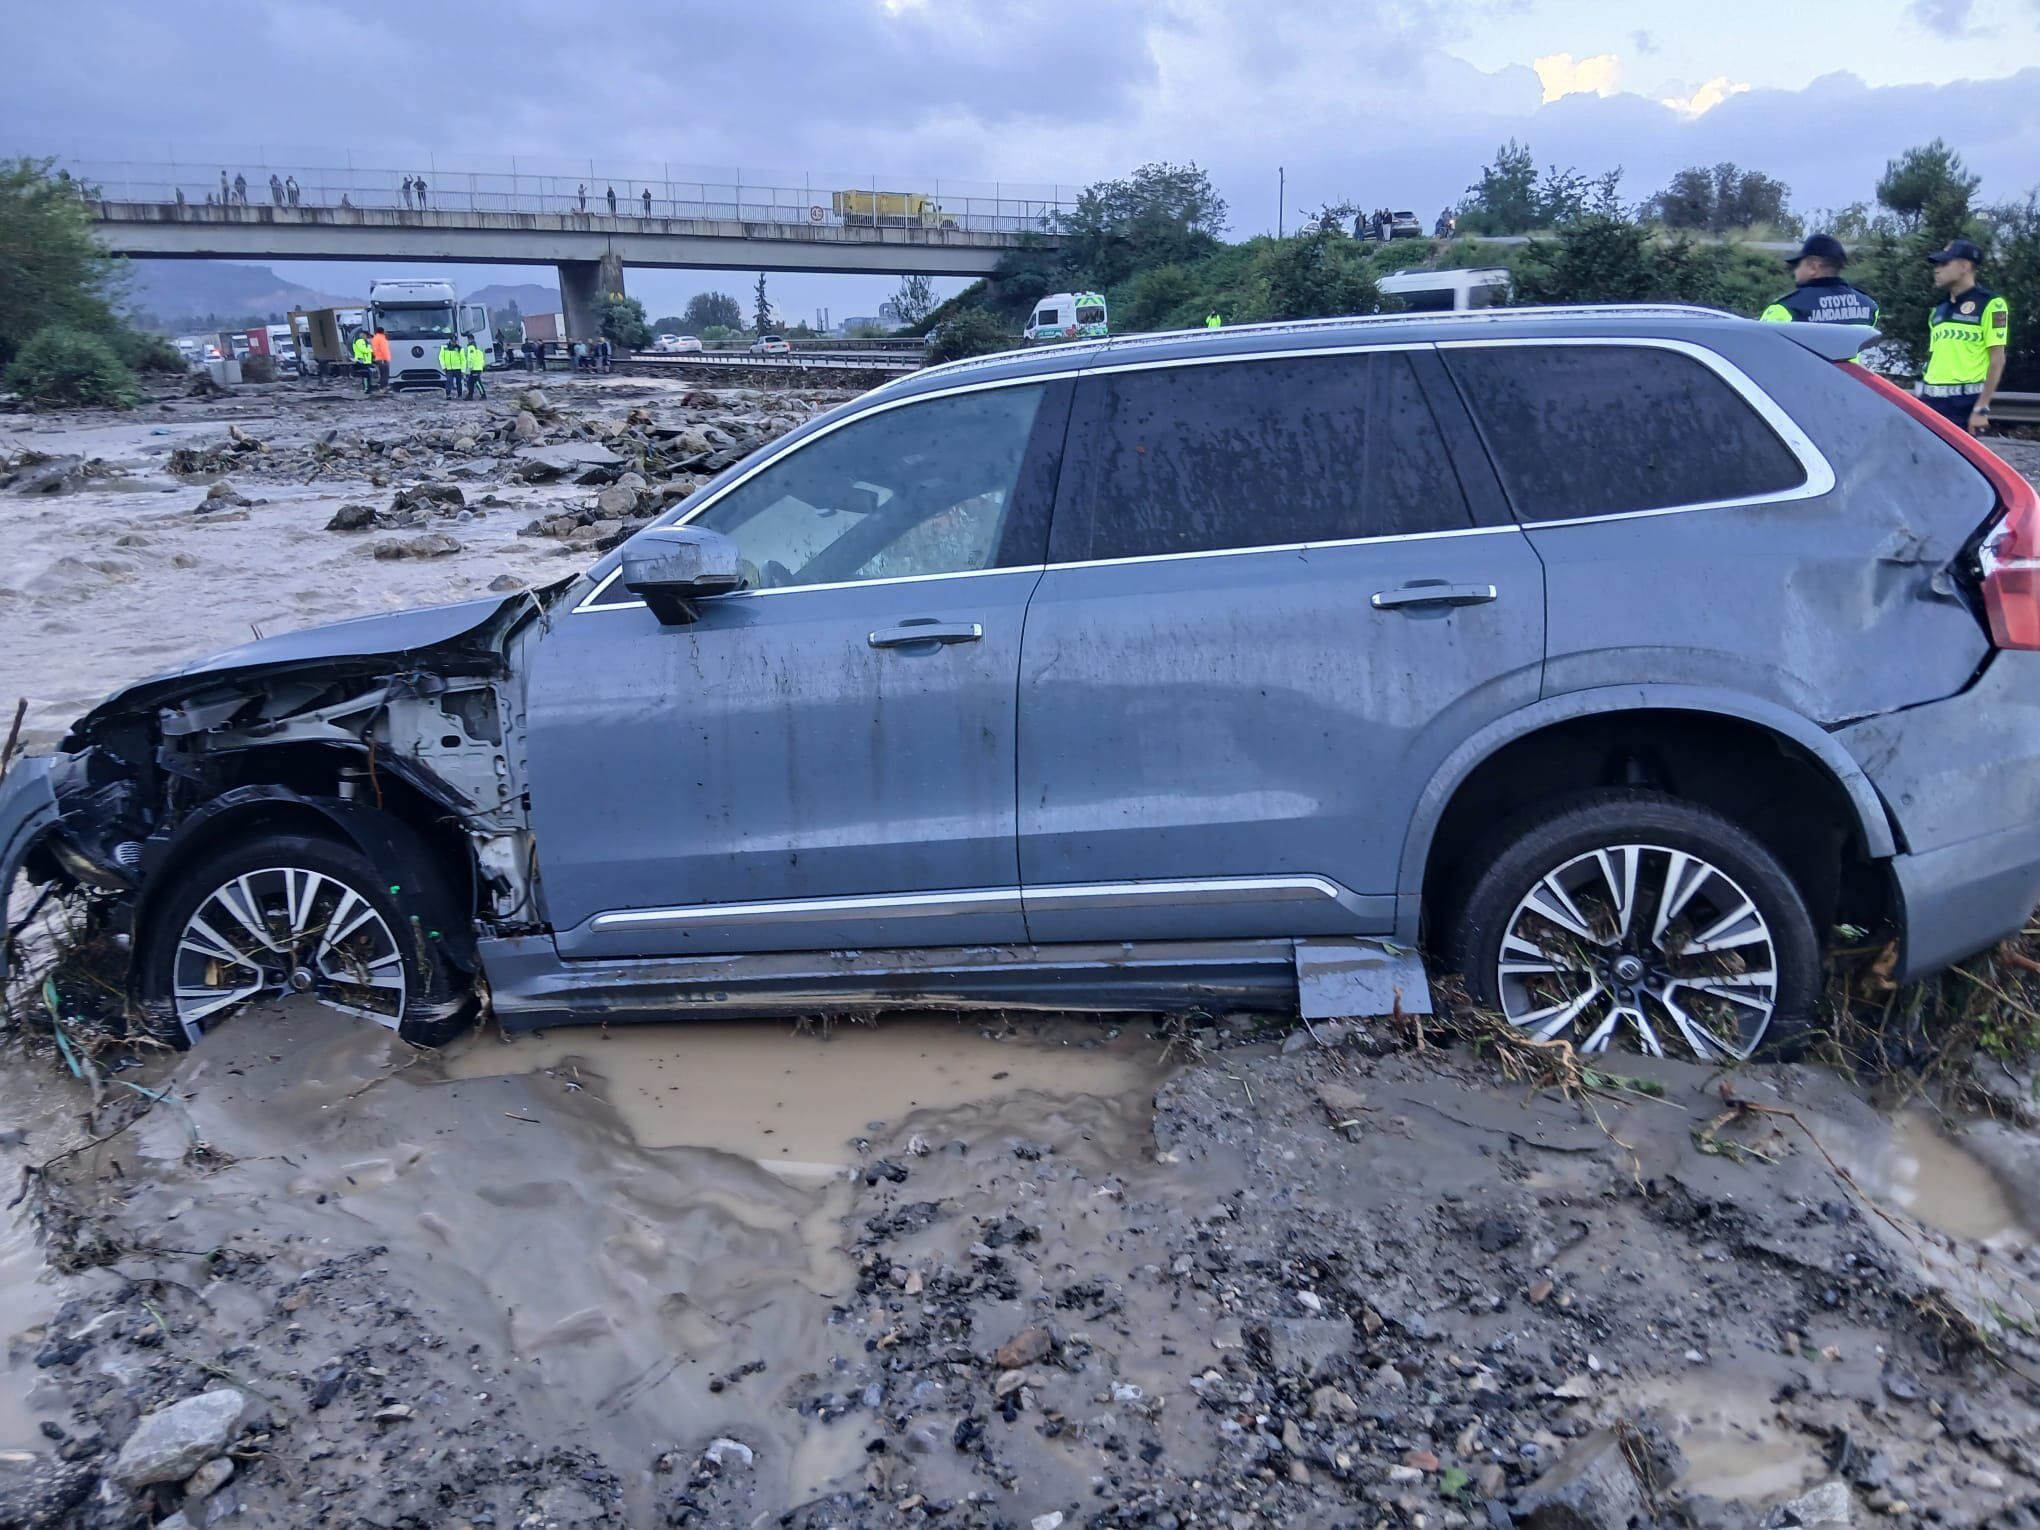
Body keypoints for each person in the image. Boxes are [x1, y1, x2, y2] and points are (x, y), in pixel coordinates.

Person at [1922, 238, 2010, 435]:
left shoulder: (1991, 304)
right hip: (1931, 401)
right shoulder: (1938, 309)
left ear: (1964, 266)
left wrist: (1982, 407)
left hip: (1963, 405)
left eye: (1944, 263)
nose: (1937, 269)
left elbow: (1997, 358)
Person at [1761, 234, 1878, 327]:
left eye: (1797, 265)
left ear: (1813, 267)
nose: (1795, 272)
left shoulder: (1785, 309)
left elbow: (1760, 349)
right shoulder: (1869, 306)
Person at [463, 333, 488, 399]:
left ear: (469, 339)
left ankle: (483, 395)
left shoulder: (471, 346)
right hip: (478, 366)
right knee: (470, 382)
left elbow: (471, 357)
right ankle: (470, 395)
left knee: (477, 382)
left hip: (474, 367)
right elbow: (483, 356)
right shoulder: (479, 346)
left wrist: (470, 367)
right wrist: (483, 365)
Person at [370, 326, 391, 392]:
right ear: (382, 331)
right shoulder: (381, 338)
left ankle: (382, 387)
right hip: (383, 358)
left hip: (378, 358)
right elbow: (383, 349)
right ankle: (384, 388)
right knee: (385, 374)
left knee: (382, 374)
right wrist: (386, 358)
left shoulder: (374, 338)